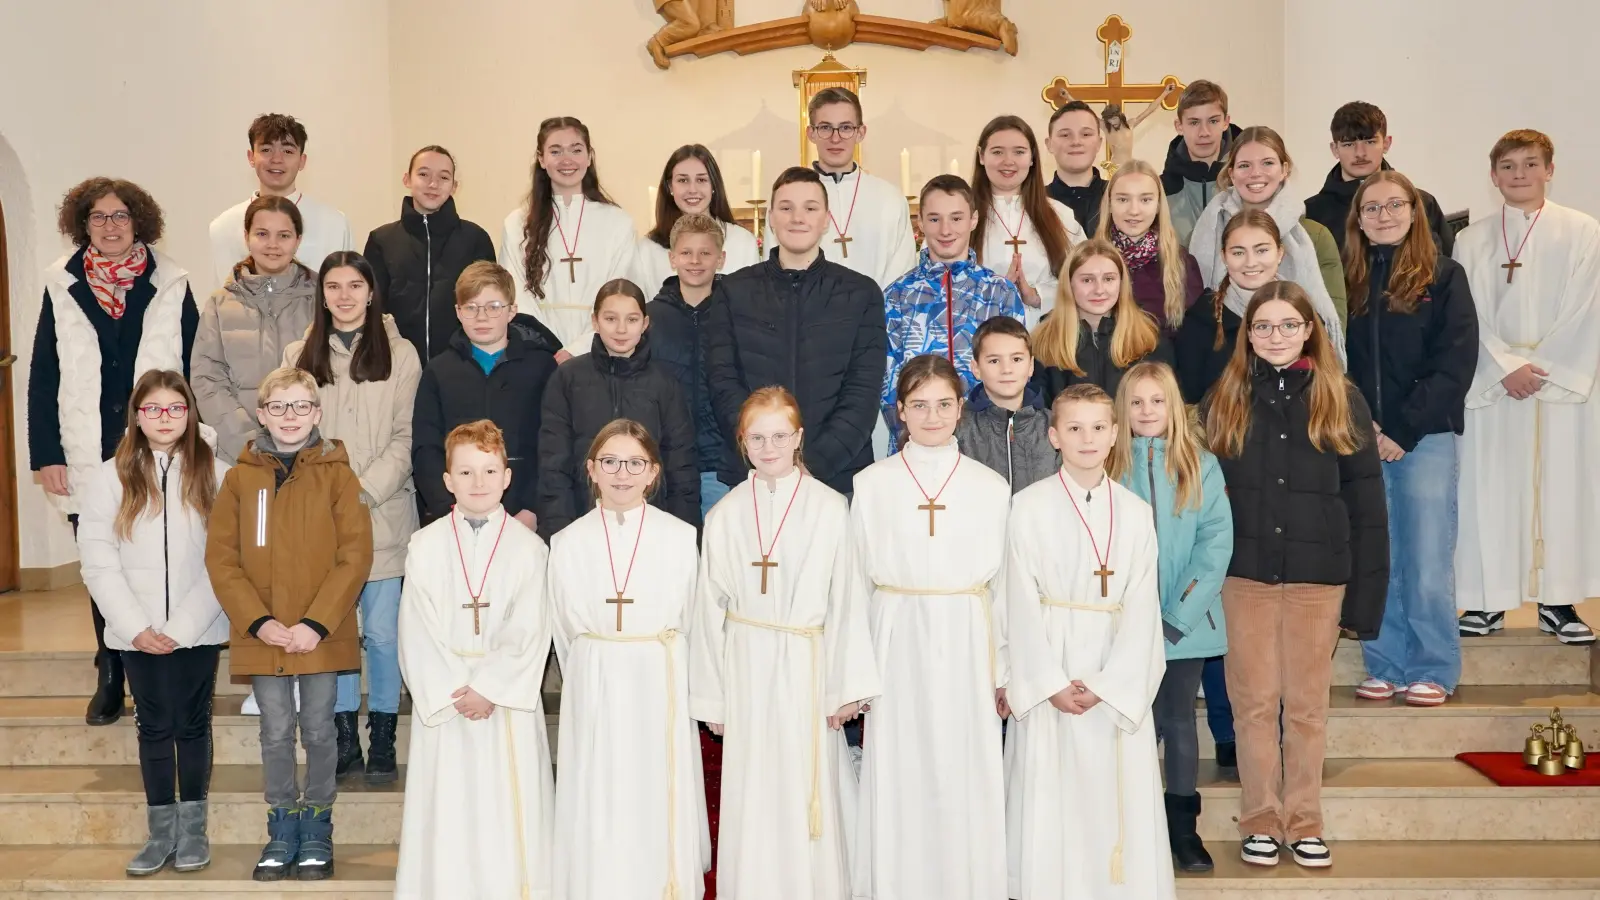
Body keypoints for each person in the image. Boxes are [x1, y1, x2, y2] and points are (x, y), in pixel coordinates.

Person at [1201, 282, 1387, 868]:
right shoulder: (1224, 397)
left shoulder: (1341, 396)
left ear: (1309, 328)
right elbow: (1202, 496)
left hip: (1316, 577)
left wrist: (1365, 597)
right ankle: (1260, 818)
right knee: (1254, 703)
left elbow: (1366, 502)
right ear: (1247, 334)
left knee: (1306, 707)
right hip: (1245, 576)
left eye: (1287, 325)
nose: (1275, 336)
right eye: (1263, 326)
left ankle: (1304, 820)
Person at [690, 387, 879, 900]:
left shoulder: (828, 507)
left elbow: (847, 598)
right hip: (747, 664)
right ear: (742, 442)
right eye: (757, 437)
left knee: (810, 789)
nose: (768, 446)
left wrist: (845, 686)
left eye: (779, 435)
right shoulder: (725, 514)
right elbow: (708, 612)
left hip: (807, 662)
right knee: (755, 792)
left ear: (798, 438)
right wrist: (712, 697)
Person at [28, 176, 200, 727]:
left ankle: (159, 660)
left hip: (159, 442)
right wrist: (46, 452)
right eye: (99, 216)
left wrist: (198, 442)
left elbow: (197, 369)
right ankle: (110, 672)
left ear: (138, 221)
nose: (110, 225)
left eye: (120, 215)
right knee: (101, 561)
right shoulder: (62, 283)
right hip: (86, 448)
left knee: (157, 557)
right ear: (84, 225)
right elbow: (43, 372)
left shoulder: (172, 281)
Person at [849, 355, 1010, 900]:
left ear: (961, 409)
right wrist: (857, 670)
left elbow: (1008, 586)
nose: (932, 415)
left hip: (968, 637)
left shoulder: (990, 486)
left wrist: (1005, 668)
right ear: (899, 412)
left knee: (965, 768)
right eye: (919, 405)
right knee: (901, 768)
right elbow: (853, 584)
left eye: (944, 404)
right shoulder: (872, 483)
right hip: (896, 637)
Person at [1003, 382, 1172, 899]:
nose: (1087, 438)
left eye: (1098, 428)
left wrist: (1110, 683)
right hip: (1050, 664)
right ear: (1054, 436)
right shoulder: (1027, 507)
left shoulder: (1136, 512)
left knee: (1112, 801)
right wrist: (1047, 681)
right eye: (1073, 428)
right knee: (1050, 799)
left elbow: (1144, 608)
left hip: (1112, 668)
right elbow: (1015, 600)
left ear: (1115, 434)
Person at [205, 366, 374, 881]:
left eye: (301, 406)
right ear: (261, 415)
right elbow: (222, 559)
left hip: (319, 631)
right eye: (278, 407)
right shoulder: (239, 479)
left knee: (320, 728)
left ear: (317, 414)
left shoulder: (339, 475)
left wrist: (315, 625)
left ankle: (318, 823)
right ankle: (281, 825)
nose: (290, 417)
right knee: (275, 731)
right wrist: (257, 622)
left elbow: (355, 556)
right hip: (264, 632)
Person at [394, 420, 556, 899]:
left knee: (509, 808)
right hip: (446, 704)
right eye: (465, 473)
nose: (478, 483)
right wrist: (454, 691)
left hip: (504, 704)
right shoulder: (424, 546)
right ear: (447, 480)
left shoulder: (530, 549)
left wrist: (490, 688)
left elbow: (531, 628)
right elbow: (415, 628)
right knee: (447, 812)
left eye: (489, 471)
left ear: (507, 477)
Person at [548, 419, 709, 900]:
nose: (623, 473)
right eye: (611, 462)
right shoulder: (567, 542)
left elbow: (693, 617)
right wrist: (590, 670)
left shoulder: (680, 537)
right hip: (594, 677)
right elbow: (562, 629)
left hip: (659, 677)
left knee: (654, 791)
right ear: (591, 469)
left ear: (653, 472)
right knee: (598, 791)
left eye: (635, 463)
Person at [78, 369, 229, 876]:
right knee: (152, 727)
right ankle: (160, 831)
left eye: (175, 408)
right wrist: (136, 626)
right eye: (153, 410)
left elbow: (224, 561)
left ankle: (193, 831)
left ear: (189, 414)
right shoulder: (108, 477)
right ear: (137, 417)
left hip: (198, 627)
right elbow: (98, 561)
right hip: (132, 631)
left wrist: (182, 627)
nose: (164, 418)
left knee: (191, 725)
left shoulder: (218, 473)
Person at [1454, 129, 1600, 644]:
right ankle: (1486, 601)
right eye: (1509, 166)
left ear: (1550, 170)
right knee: (1490, 490)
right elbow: (1464, 313)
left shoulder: (1583, 231)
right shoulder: (1470, 240)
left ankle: (1559, 602)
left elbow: (1589, 306)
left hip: (1558, 386)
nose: (1520, 175)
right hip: (1496, 387)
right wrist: (1501, 368)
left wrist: (1544, 368)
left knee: (1562, 489)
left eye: (1531, 164)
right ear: (1493, 176)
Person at [284, 252, 422, 782]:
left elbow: (408, 434)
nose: (344, 296)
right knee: (336, 630)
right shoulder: (301, 352)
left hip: (383, 513)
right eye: (334, 286)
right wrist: (330, 495)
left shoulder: (401, 354)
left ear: (371, 292)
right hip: (321, 519)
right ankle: (344, 734)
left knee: (383, 634)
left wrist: (363, 490)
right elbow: (291, 430)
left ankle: (382, 731)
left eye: (355, 285)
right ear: (322, 295)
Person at [1343, 170, 1478, 703]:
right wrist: (1364, 424)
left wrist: (1402, 427)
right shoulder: (1350, 280)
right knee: (1379, 553)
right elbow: (1338, 359)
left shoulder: (1444, 277)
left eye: (1394, 205)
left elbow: (1455, 361)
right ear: (1358, 218)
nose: (1384, 215)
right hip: (1363, 436)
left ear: (1415, 211)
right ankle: (1386, 663)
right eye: (1371, 208)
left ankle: (1433, 667)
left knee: (1425, 557)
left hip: (1424, 437)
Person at [1109, 361, 1232, 873]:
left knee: (1178, 721)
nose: (1146, 411)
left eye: (1157, 401)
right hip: (1121, 624)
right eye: (1136, 402)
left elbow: (1215, 545)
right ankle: (1128, 826)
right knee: (1127, 723)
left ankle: (1183, 829)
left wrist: (1176, 616)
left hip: (1186, 625)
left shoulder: (1200, 464)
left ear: (1174, 406)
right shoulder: (1108, 466)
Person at [706, 166, 887, 498]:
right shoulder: (732, 291)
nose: (797, 217)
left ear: (826, 220)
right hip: (751, 476)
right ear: (771, 218)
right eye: (786, 207)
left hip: (836, 478)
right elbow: (722, 382)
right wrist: (767, 456)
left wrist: (812, 466)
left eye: (810, 208)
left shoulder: (861, 294)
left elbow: (862, 394)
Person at [539, 279, 699, 536]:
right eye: (611, 319)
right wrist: (559, 532)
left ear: (645, 324)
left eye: (632, 319)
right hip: (582, 521)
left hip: (650, 525)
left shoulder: (665, 382)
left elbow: (681, 466)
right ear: (595, 321)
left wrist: (685, 534)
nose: (621, 329)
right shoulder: (567, 378)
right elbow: (553, 464)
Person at [412, 262, 560, 529]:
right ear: (458, 311)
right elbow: (426, 448)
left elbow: (552, 445)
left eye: (493, 307)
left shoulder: (542, 368)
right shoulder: (438, 371)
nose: (481, 317)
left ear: (512, 311)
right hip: (456, 516)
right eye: (471, 307)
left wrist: (532, 509)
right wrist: (450, 510)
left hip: (524, 516)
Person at [882, 174, 1023, 447]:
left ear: (973, 219)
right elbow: (887, 377)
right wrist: (905, 431)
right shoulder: (897, 295)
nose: (946, 230)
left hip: (987, 440)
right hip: (917, 439)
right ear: (920, 223)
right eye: (934, 219)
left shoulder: (1000, 292)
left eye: (956, 218)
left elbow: (1015, 371)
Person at [1189, 126, 1350, 338]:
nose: (1256, 173)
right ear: (1231, 173)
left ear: (1284, 169)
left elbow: (1333, 317)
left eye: (1267, 163)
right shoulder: (1208, 230)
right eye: (1244, 165)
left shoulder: (1315, 236)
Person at [193, 195, 318, 464]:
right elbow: (207, 379)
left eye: (284, 235)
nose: (273, 244)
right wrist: (249, 442)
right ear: (246, 236)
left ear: (298, 240)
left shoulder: (322, 301)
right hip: (240, 456)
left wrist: (304, 438)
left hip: (310, 455)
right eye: (262, 234)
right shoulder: (219, 304)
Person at [500, 116, 637, 356]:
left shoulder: (617, 222)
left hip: (602, 349)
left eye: (576, 150)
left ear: (589, 156)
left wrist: (578, 349)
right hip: (538, 352)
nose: (567, 160)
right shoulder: (517, 223)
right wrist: (549, 349)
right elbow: (515, 293)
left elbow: (621, 289)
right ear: (541, 159)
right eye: (555, 151)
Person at [364, 145, 497, 365]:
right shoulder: (382, 240)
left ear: (454, 186)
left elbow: (489, 305)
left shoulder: (475, 238)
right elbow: (373, 307)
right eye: (423, 174)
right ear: (407, 179)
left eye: (443, 177)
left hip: (461, 365)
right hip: (397, 365)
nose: (433, 184)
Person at [775, 87, 915, 289]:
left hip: (877, 316)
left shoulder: (889, 198)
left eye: (846, 127)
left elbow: (903, 272)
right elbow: (777, 269)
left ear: (860, 133)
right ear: (810, 133)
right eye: (825, 127)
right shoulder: (789, 197)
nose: (835, 138)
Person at [647, 213, 738, 519]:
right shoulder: (649, 318)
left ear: (721, 258)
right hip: (667, 462)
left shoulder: (738, 313)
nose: (695, 261)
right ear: (672, 258)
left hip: (721, 464)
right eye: (686, 253)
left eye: (705, 253)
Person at [208, 113, 353, 288]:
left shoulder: (335, 224)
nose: (277, 159)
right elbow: (221, 301)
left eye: (288, 151)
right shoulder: (224, 227)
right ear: (251, 157)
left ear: (302, 161)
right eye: (266, 150)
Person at [971, 114, 1081, 327]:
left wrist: (1037, 295)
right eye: (997, 152)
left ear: (1032, 158)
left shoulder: (1060, 215)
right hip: (977, 338)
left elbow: (1085, 278)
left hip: (1047, 337)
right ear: (981, 156)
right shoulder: (958, 216)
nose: (1008, 161)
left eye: (1019, 152)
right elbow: (937, 281)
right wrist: (993, 294)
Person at [1032, 239, 1174, 404]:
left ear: (1121, 283)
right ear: (1069, 284)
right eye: (1087, 280)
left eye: (1108, 279)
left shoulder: (1149, 340)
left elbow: (1166, 408)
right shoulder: (1043, 342)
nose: (1099, 290)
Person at [1304, 102, 1453, 256]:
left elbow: (1447, 267)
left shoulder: (1422, 202)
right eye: (1349, 144)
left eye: (1370, 142)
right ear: (1335, 149)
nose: (1360, 153)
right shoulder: (1312, 213)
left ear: (1386, 143)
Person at [1175, 210, 1286, 404]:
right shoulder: (1198, 323)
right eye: (1238, 252)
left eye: (1261, 250)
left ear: (1280, 253)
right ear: (1224, 257)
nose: (1251, 262)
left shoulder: (1304, 314)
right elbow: (1190, 401)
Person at [635, 144, 761, 297]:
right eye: (683, 180)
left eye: (701, 180)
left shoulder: (742, 242)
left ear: (713, 185)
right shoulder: (647, 249)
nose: (692, 189)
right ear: (670, 187)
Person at [1096, 159, 1205, 334]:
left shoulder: (1182, 263)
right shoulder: (1088, 262)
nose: (1134, 210)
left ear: (1158, 205)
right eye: (1123, 199)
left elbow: (1195, 333)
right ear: (1109, 204)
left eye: (1145, 199)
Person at [955, 315, 1058, 492]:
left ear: (1031, 366)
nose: (1007, 369)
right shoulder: (958, 428)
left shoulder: (1053, 426)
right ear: (976, 368)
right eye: (994, 361)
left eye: (1016, 359)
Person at [1160, 80, 1241, 248]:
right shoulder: (1161, 190)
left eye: (1213, 121)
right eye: (1194, 122)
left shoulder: (1246, 181)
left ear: (1225, 122)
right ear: (1179, 126)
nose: (1204, 133)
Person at [1045, 101, 1107, 236]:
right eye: (1065, 135)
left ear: (1099, 143)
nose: (1076, 142)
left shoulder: (1119, 197)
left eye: (1086, 134)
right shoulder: (1034, 202)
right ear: (1049, 144)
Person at [1100, 88, 1177, 171]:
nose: (1112, 122)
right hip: (1114, 169)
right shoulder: (1106, 128)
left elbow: (1149, 110)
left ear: (1120, 115)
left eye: (1114, 118)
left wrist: (1165, 93)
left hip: (1128, 168)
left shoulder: (1130, 125)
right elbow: (1088, 113)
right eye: (1109, 120)